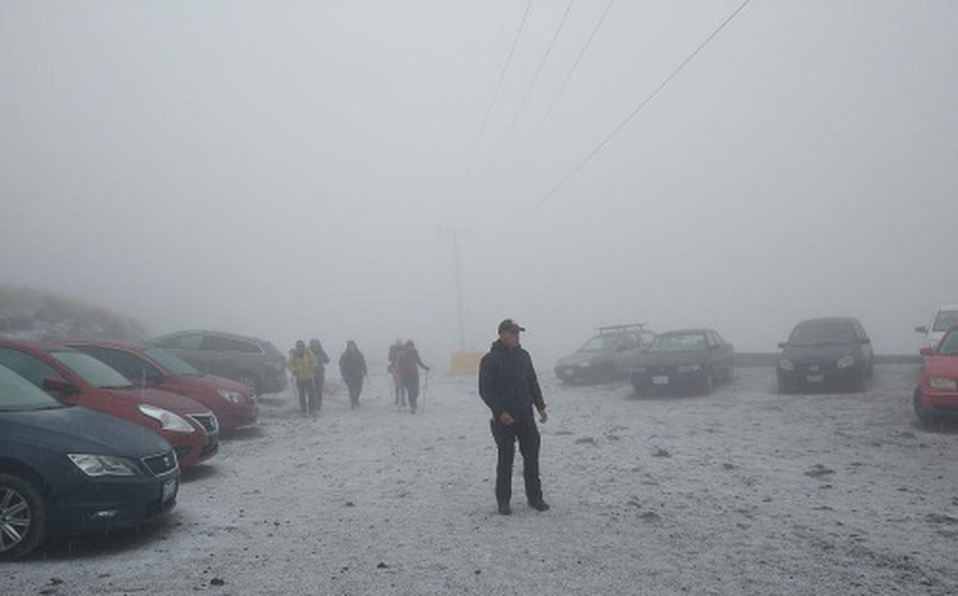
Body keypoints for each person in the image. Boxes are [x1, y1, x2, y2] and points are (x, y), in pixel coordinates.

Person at [478, 319, 549, 515]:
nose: (517, 337)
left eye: (518, 333)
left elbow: (532, 382)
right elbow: (485, 390)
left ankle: (535, 498)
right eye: (513, 333)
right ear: (502, 335)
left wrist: (540, 407)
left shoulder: (524, 357)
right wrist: (500, 413)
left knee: (532, 458)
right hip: (503, 420)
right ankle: (503, 501)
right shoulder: (490, 359)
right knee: (505, 460)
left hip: (525, 416)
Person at [397, 340, 429, 413]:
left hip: (414, 374)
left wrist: (425, 367)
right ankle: (413, 406)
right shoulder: (402, 355)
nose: (410, 347)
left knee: (416, 391)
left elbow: (419, 362)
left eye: (411, 346)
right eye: (409, 346)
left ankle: (413, 403)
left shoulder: (415, 354)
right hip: (406, 376)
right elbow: (399, 365)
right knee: (410, 391)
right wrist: (398, 371)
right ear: (406, 347)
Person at [287, 340, 318, 416]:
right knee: (301, 394)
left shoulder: (308, 353)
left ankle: (312, 409)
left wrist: (312, 367)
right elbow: (289, 364)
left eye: (302, 346)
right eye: (299, 346)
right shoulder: (293, 354)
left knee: (311, 394)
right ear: (296, 347)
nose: (300, 348)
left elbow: (315, 362)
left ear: (304, 347)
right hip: (299, 377)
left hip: (309, 376)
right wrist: (293, 369)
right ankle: (303, 410)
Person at [339, 340, 367, 409]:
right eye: (350, 346)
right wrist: (344, 374)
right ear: (347, 347)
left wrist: (365, 371)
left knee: (359, 389)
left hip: (359, 374)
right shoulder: (344, 355)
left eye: (352, 346)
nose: (351, 347)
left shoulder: (359, 354)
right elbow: (342, 366)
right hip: (349, 375)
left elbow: (363, 363)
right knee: (351, 389)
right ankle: (352, 402)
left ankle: (356, 399)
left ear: (355, 346)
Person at [308, 338, 331, 412]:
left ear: (319, 345)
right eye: (313, 344)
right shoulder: (307, 352)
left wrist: (324, 359)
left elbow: (327, 360)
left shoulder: (321, 352)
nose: (315, 346)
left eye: (316, 344)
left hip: (320, 373)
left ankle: (318, 404)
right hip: (310, 373)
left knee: (318, 389)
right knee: (311, 389)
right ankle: (313, 404)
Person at [388, 339, 407, 408]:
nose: (399, 344)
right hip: (395, 369)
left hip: (401, 370)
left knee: (401, 385)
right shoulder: (393, 350)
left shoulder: (403, 350)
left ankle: (401, 400)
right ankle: (399, 399)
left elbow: (389, 358)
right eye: (398, 343)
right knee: (398, 385)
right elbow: (390, 358)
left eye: (400, 343)